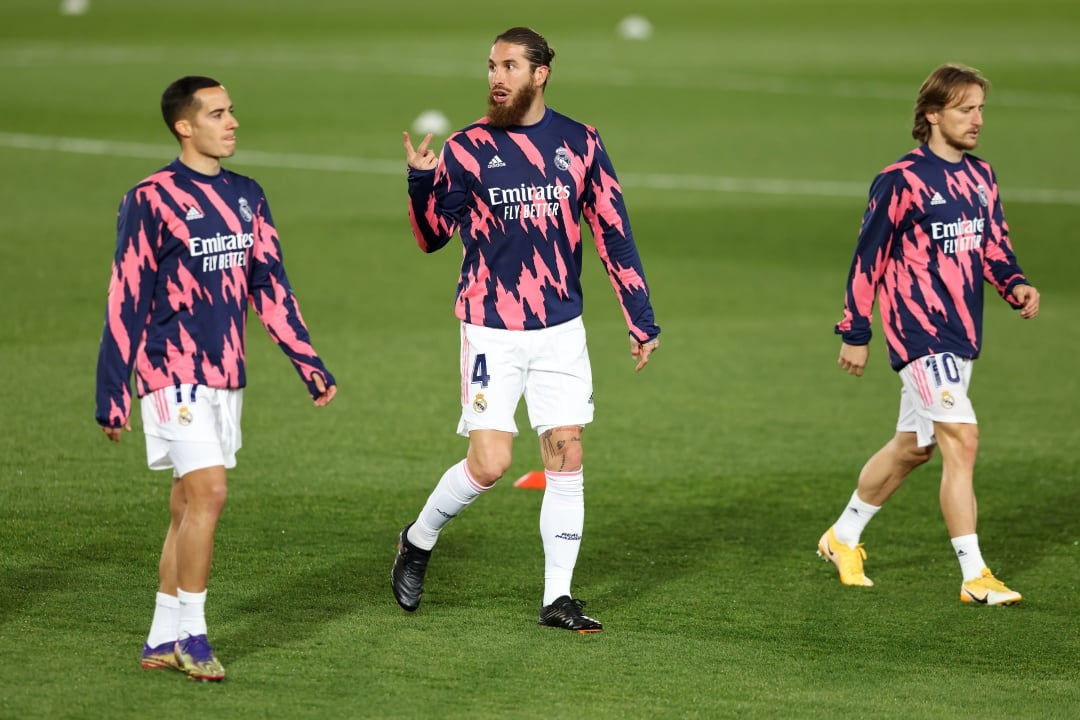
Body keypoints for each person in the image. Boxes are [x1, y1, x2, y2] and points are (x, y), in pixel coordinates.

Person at [392, 27, 660, 633]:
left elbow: (612, 230)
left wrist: (639, 316)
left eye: (510, 66)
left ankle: (557, 598)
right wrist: (419, 181)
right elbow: (432, 236)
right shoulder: (464, 149)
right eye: (491, 65)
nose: (496, 77)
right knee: (489, 464)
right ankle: (418, 538)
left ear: (540, 74)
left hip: (561, 327)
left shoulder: (580, 143)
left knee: (566, 453)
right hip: (491, 327)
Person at [95, 76, 337, 680]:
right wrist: (112, 389)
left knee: (184, 504)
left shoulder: (248, 195)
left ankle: (159, 634)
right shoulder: (149, 199)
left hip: (226, 374)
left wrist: (308, 363)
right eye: (218, 113)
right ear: (185, 125)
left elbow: (270, 286)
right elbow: (126, 296)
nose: (231, 122)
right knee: (211, 493)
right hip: (168, 370)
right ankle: (193, 637)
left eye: (231, 112)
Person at [819, 63, 1039, 605]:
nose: (978, 120)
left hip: (962, 336)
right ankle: (975, 575)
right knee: (962, 439)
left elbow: (993, 245)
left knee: (912, 449)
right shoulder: (900, 180)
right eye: (966, 109)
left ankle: (841, 537)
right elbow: (866, 258)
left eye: (981, 108)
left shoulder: (981, 176)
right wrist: (855, 329)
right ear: (932, 114)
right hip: (920, 337)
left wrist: (1014, 285)